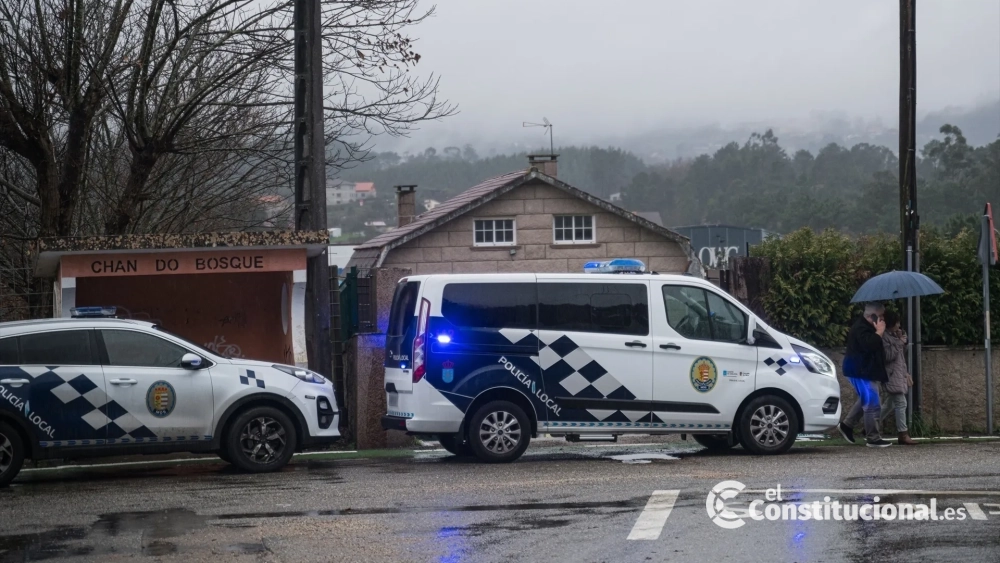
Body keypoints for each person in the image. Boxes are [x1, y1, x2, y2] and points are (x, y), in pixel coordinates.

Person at [838, 303, 893, 447]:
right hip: (860, 371)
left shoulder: (867, 327)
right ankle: (873, 438)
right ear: (871, 316)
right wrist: (879, 332)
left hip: (865, 370)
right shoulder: (861, 328)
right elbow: (869, 345)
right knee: (872, 403)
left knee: (867, 398)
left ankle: (847, 425)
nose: (883, 319)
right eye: (880, 316)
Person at [880, 311, 916, 445]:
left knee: (889, 404)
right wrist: (899, 342)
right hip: (891, 374)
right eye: (897, 323)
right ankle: (903, 434)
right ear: (892, 323)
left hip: (898, 373)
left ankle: (871, 425)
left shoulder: (895, 336)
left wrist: (902, 341)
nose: (899, 326)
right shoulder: (884, 337)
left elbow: (900, 355)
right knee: (901, 403)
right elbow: (888, 356)